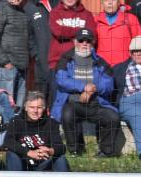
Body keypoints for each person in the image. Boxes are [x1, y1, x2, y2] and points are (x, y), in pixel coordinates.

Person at [52, 28, 122, 158]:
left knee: (113, 117)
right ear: (74, 42)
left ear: (93, 42)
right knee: (67, 113)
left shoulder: (101, 61)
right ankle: (75, 151)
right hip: (73, 102)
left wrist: (92, 89)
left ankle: (105, 152)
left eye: (88, 41)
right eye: (81, 40)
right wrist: (84, 87)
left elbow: (109, 84)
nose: (84, 43)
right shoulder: (65, 59)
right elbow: (61, 79)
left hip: (96, 102)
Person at [3, 92, 74, 177]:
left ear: (45, 109)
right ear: (25, 107)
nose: (35, 111)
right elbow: (8, 142)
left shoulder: (51, 123)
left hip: (44, 164)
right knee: (11, 154)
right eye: (32, 107)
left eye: (39, 107)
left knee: (61, 158)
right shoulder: (16, 121)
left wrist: (50, 150)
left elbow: (61, 147)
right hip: (23, 164)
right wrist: (29, 153)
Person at [0, 0, 29, 108]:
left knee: (18, 107)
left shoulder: (23, 10)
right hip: (6, 68)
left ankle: (16, 125)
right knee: (5, 106)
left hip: (22, 66)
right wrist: (5, 62)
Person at [25, 0, 57, 103]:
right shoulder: (30, 7)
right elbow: (28, 34)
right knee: (42, 93)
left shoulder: (59, 3)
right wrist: (36, 54)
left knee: (58, 92)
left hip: (59, 57)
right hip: (42, 59)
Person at [48, 0, 94, 70]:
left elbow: (91, 35)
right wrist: (81, 30)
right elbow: (58, 32)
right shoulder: (55, 12)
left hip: (81, 62)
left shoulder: (87, 14)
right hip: (57, 62)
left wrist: (65, 28)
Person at [93, 0, 141, 67]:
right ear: (102, 3)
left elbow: (140, 45)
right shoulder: (95, 21)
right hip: (102, 68)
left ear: (118, 2)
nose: (110, 2)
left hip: (125, 67)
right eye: (106, 0)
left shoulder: (130, 19)